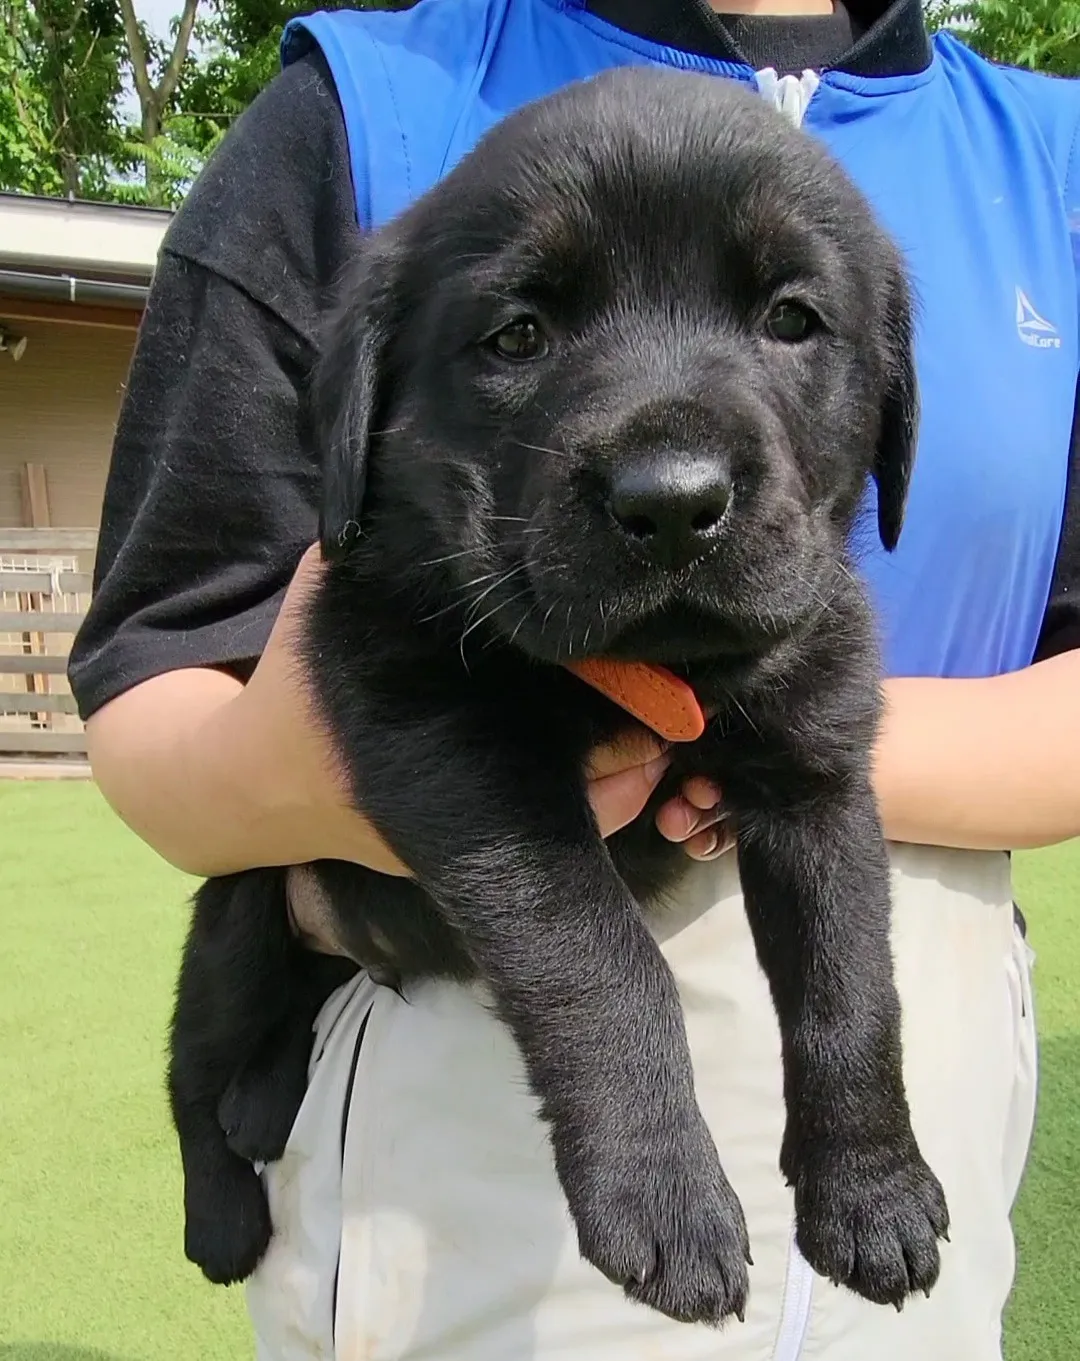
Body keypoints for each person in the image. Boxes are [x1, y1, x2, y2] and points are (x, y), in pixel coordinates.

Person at [69, 0, 1080, 1357]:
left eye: (792, 319)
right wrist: (314, 777)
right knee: (245, 935)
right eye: (521, 336)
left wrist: (785, 753)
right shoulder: (380, 98)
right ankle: (221, 1114)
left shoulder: (1054, 166)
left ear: (893, 394)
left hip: (937, 1115)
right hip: (452, 1178)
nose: (673, 465)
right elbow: (159, 665)